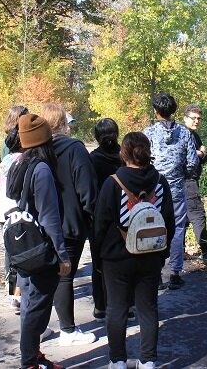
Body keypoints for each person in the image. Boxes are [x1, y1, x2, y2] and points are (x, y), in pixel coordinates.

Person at [93, 132, 175, 369]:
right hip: (151, 255)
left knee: (116, 309)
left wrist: (98, 259)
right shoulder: (160, 182)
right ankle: (148, 361)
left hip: (116, 257)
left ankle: (117, 361)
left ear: (124, 153)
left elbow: (99, 225)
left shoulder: (112, 183)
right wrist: (163, 254)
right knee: (148, 308)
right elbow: (169, 222)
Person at [10, 113, 72, 369]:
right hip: (42, 248)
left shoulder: (19, 163)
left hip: (24, 245)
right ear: (45, 140)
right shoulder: (42, 169)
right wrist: (62, 255)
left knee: (30, 304)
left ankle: (33, 356)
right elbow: (49, 217)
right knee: (36, 309)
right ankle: (29, 363)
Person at [40, 103, 98, 346]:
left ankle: (38, 327)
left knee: (44, 277)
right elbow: (87, 189)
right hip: (69, 223)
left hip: (41, 223)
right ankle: (68, 331)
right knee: (64, 275)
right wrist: (93, 218)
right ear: (62, 124)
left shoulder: (36, 149)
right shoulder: (74, 149)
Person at [143, 93, 198, 290]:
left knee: (153, 228)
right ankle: (175, 273)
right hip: (176, 189)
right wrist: (182, 173)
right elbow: (192, 162)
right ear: (174, 110)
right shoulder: (184, 133)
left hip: (154, 191)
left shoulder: (148, 133)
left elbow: (142, 160)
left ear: (155, 110)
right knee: (177, 229)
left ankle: (156, 273)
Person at [88, 118, 123, 320]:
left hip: (100, 217)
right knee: (125, 260)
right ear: (116, 134)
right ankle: (127, 305)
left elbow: (89, 189)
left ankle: (100, 306)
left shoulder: (93, 159)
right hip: (124, 215)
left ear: (96, 137)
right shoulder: (125, 155)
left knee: (99, 263)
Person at [0, 126, 25, 312]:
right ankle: (18, 295)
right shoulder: (21, 161)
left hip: (3, 211)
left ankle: (12, 292)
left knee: (10, 253)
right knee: (21, 255)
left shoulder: (5, 160)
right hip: (16, 212)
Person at [182, 104, 207, 260]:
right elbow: (187, 155)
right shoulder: (183, 134)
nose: (196, 121)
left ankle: (179, 251)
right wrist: (200, 153)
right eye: (193, 118)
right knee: (198, 215)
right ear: (185, 118)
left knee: (184, 217)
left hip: (188, 180)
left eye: (199, 118)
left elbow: (202, 157)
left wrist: (201, 155)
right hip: (187, 180)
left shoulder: (194, 135)